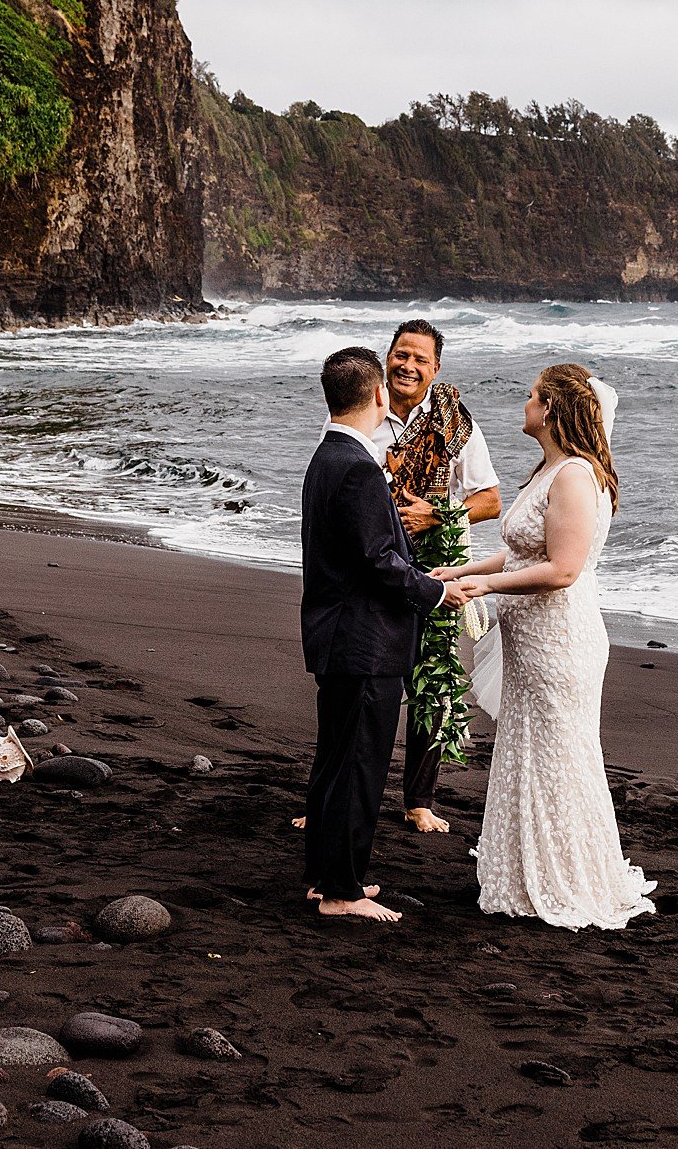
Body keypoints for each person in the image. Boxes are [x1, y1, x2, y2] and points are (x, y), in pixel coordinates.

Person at [442, 364, 655, 930]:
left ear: (555, 410)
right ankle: (521, 875)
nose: (525, 401)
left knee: (560, 755)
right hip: (531, 645)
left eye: (533, 396)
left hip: (561, 643)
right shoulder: (549, 470)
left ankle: (569, 879)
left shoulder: (576, 478)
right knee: (526, 749)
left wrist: (484, 585)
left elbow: (562, 570)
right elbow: (519, 556)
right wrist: (459, 570)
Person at [298, 345, 472, 923]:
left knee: (334, 761)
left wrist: (425, 580)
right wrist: (438, 591)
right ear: (377, 394)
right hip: (363, 641)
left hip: (338, 635)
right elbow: (379, 561)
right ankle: (342, 892)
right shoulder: (357, 466)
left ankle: (325, 876)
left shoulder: (327, 456)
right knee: (358, 767)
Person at [376, 319, 501, 833]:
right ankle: (337, 793)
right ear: (388, 357)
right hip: (375, 561)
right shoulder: (366, 407)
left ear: (436, 369)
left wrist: (438, 514)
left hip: (435, 566)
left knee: (431, 681)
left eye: (419, 359)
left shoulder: (454, 421)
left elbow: (491, 501)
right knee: (367, 680)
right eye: (401, 354)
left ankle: (419, 801)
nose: (407, 365)